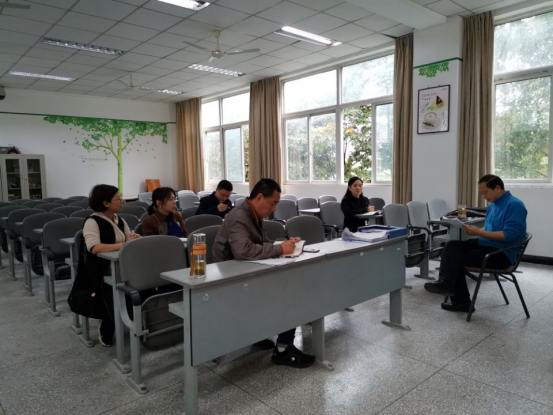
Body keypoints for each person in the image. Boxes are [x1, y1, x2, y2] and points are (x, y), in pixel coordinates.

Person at [212, 178, 315, 368]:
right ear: (260, 197)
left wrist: (286, 244)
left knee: (292, 281)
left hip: (247, 270)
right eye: (272, 203)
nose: (274, 209)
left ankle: (258, 334)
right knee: (290, 291)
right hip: (229, 278)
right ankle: (283, 350)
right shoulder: (239, 217)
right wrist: (279, 249)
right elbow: (243, 251)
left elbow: (262, 243)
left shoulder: (254, 214)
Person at [424, 175, 527, 312]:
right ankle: (445, 283)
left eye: (485, 192)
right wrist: (477, 231)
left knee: (455, 260)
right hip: (486, 244)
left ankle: (461, 301)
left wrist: (480, 233)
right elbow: (490, 228)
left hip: (502, 253)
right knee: (451, 246)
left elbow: (510, 235)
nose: (483, 196)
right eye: (481, 193)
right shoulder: (493, 205)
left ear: (497, 188)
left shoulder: (514, 205)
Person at [81, 184, 140, 346]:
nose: (122, 201)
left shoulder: (119, 220)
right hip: (103, 270)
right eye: (118, 198)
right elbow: (94, 247)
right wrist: (125, 244)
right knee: (112, 294)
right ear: (106, 203)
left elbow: (128, 238)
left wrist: (134, 238)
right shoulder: (92, 222)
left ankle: (137, 320)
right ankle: (107, 325)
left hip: (123, 266)